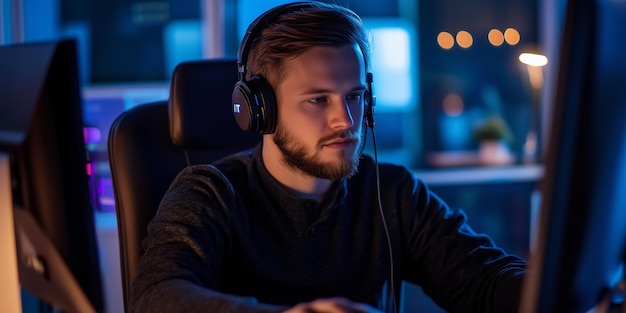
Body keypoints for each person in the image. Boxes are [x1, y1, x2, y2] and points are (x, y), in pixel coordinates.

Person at [130, 2, 526, 312]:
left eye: (354, 97)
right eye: (318, 99)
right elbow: (156, 298)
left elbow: (484, 282)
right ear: (261, 110)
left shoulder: (391, 192)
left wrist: (558, 287)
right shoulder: (209, 193)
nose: (346, 120)